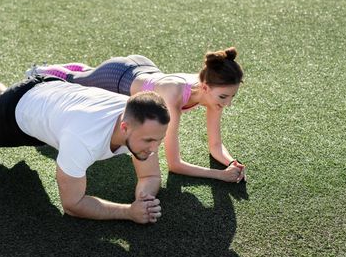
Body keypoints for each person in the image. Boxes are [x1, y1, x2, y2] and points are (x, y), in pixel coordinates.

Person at [0, 75, 170, 224]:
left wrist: (143, 198)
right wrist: (129, 212)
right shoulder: (83, 138)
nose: (154, 147)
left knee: (2, 97)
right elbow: (72, 205)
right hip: (19, 112)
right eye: (149, 141)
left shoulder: (140, 119)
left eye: (158, 140)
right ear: (124, 127)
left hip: (46, 95)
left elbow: (149, 176)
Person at [26, 48, 246, 183]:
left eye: (232, 97)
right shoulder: (172, 96)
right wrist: (219, 175)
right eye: (224, 97)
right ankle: (39, 73)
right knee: (73, 81)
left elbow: (215, 146)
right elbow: (174, 165)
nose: (227, 104)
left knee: (85, 74)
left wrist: (231, 162)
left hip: (143, 69)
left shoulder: (212, 94)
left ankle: (76, 71)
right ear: (205, 87)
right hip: (117, 78)